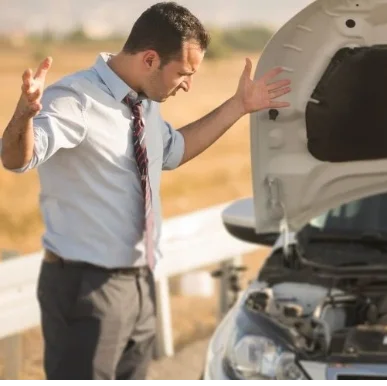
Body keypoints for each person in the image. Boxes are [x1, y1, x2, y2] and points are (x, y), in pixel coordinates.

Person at [0, 1, 291, 382]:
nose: (187, 84)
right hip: (86, 288)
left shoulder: (145, 105)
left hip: (140, 282)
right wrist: (24, 114)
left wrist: (240, 105)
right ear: (150, 59)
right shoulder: (75, 99)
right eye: (184, 73)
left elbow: (175, 150)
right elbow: (17, 159)